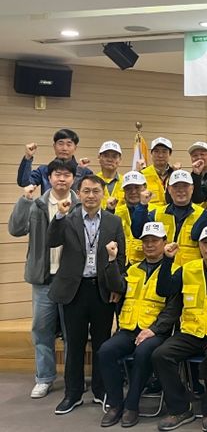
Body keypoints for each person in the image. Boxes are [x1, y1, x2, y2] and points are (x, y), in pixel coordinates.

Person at [46, 174, 127, 415]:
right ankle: (73, 394)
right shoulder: (67, 217)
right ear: (78, 194)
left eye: (96, 191)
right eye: (86, 191)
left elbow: (120, 258)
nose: (91, 196)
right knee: (74, 344)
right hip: (75, 289)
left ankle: (101, 391)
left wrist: (116, 287)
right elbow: (51, 241)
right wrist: (59, 216)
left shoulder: (114, 221)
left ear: (103, 194)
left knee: (102, 343)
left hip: (102, 290)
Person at [151, 225, 207, 432]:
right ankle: (180, 408)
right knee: (160, 355)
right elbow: (163, 289)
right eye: (206, 243)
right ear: (199, 246)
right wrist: (167, 261)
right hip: (191, 331)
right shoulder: (187, 268)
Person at [98, 222, 182, 428]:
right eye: (146, 241)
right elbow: (116, 286)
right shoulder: (133, 269)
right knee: (105, 351)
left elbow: (173, 309)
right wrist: (112, 260)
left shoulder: (175, 271)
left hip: (156, 332)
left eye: (154, 240)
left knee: (143, 353)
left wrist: (153, 330)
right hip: (129, 329)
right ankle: (115, 404)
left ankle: (132, 405)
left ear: (164, 242)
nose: (150, 245)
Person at [8, 158, 78, 399]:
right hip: (43, 279)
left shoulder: (79, 205)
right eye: (57, 174)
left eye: (66, 175)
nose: (61, 179)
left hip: (70, 279)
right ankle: (45, 378)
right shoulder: (36, 204)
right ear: (49, 178)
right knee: (42, 329)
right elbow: (16, 229)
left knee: (72, 332)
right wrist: (24, 200)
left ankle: (73, 378)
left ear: (73, 179)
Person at [132, 169, 206, 266]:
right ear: (169, 189)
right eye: (176, 186)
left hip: (191, 271)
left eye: (185, 186)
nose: (180, 190)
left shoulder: (203, 215)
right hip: (163, 269)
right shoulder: (157, 214)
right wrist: (142, 205)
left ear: (192, 188)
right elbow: (138, 232)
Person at [17, 128, 92, 191]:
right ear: (54, 146)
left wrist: (79, 171)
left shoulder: (84, 172)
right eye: (60, 144)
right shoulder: (43, 170)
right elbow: (24, 183)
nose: (64, 148)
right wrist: (28, 157)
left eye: (69, 144)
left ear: (75, 148)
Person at [115, 171, 147, 266]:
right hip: (120, 263)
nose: (133, 192)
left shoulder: (155, 211)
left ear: (145, 188)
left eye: (137, 187)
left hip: (145, 263)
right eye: (128, 188)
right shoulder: (116, 212)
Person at [140, 137, 175, 206]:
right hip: (150, 212)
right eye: (156, 151)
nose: (160, 155)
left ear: (170, 154)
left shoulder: (175, 174)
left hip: (171, 212)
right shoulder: (142, 174)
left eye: (164, 152)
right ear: (151, 154)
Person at [97, 140, 125, 210]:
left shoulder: (125, 182)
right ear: (99, 158)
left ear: (120, 160)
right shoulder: (93, 181)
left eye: (114, 157)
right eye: (106, 156)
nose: (110, 159)